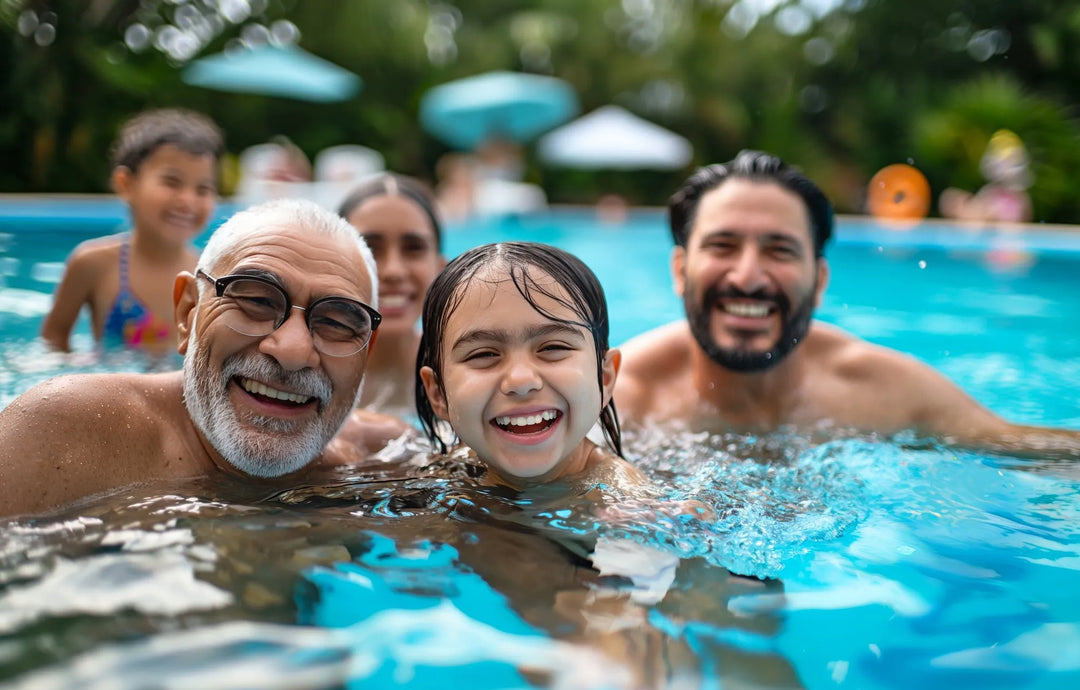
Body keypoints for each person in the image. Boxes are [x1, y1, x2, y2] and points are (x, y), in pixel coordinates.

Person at [615, 150, 1080, 456]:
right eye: (722, 246)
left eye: (779, 250)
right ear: (679, 271)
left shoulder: (886, 390)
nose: (749, 277)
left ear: (819, 280)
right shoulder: (620, 398)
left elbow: (1026, 448)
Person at [1, 199, 407, 518]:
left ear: (366, 352)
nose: (293, 351)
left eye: (336, 322)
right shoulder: (62, 434)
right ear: (187, 313)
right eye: (256, 300)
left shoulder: (387, 457)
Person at [415, 242, 642, 490]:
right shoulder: (432, 480)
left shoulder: (631, 509)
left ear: (605, 377)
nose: (521, 380)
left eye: (552, 348)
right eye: (484, 354)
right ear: (438, 394)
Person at [41, 108, 224, 353]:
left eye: (203, 189)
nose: (187, 201)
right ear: (126, 184)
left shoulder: (210, 275)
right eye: (171, 182)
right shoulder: (93, 263)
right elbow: (53, 340)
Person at [338, 173, 445, 412]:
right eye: (369, 248)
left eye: (413, 248)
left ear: (440, 269)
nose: (393, 271)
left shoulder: (464, 373)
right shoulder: (303, 367)